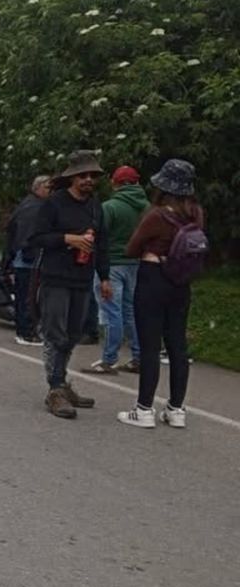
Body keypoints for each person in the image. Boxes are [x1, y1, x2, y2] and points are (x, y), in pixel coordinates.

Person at [118, 160, 203, 429]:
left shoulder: (156, 215)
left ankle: (144, 409)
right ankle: (176, 409)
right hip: (181, 282)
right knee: (178, 345)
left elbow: (132, 248)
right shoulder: (196, 214)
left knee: (150, 345)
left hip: (153, 278)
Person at [28, 150, 111, 420]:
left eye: (93, 176)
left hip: (82, 278)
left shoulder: (95, 206)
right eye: (83, 175)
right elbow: (36, 238)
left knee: (74, 333)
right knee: (55, 334)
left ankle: (62, 381)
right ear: (72, 177)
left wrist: (105, 276)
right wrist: (67, 239)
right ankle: (55, 389)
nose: (88, 180)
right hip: (55, 277)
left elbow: (102, 243)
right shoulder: (54, 203)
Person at [85, 166, 149, 375]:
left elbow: (98, 237)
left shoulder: (109, 207)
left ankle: (109, 359)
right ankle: (139, 357)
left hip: (111, 264)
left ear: (115, 183)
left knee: (111, 311)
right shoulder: (147, 208)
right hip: (137, 263)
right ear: (137, 182)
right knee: (131, 311)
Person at [4, 175, 52, 346]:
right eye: (47, 187)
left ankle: (24, 330)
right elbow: (26, 234)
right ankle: (27, 333)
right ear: (37, 188)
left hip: (23, 258)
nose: (50, 191)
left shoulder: (28, 204)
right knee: (28, 298)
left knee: (24, 296)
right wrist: (29, 251)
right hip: (28, 259)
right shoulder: (34, 207)